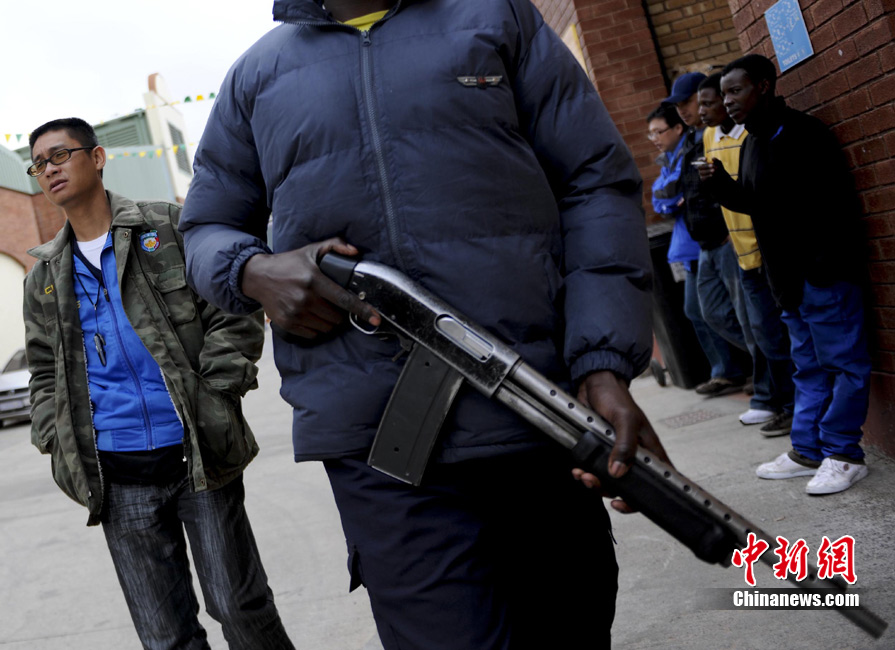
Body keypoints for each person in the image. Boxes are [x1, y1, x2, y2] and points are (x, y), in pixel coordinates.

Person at [178, 1, 669, 647]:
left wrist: (601, 363)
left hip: (533, 412)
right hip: (378, 445)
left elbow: (593, 182)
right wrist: (252, 270)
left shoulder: (496, 18)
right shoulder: (256, 75)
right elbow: (206, 226)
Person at [23, 118, 294, 649]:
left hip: (197, 452)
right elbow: (43, 370)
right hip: (115, 473)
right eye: (38, 164)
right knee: (164, 635)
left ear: (97, 157)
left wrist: (216, 395)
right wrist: (54, 436)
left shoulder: (167, 228)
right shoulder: (44, 277)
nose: (48, 169)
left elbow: (231, 310)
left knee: (239, 607)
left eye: (59, 155)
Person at [701, 54, 871, 494]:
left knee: (843, 365)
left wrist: (821, 270)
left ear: (764, 85)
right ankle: (809, 450)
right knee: (807, 368)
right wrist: (719, 183)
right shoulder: (752, 142)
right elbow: (757, 204)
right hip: (788, 283)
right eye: (724, 93)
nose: (728, 101)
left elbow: (833, 205)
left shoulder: (803, 133)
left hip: (822, 277)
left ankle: (845, 454)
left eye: (736, 90)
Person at [696, 72, 795, 437]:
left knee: (777, 335)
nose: (708, 109)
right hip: (740, 253)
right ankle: (778, 402)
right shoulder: (709, 136)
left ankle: (788, 406)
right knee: (761, 332)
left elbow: (755, 195)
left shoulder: (750, 136)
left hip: (764, 250)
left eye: (712, 101)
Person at [663, 73, 754, 399]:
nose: (687, 110)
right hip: (703, 242)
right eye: (680, 105)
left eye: (688, 102)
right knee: (709, 311)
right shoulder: (692, 139)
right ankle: (761, 367)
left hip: (727, 239)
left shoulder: (720, 134)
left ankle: (767, 373)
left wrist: (729, 230)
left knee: (746, 316)